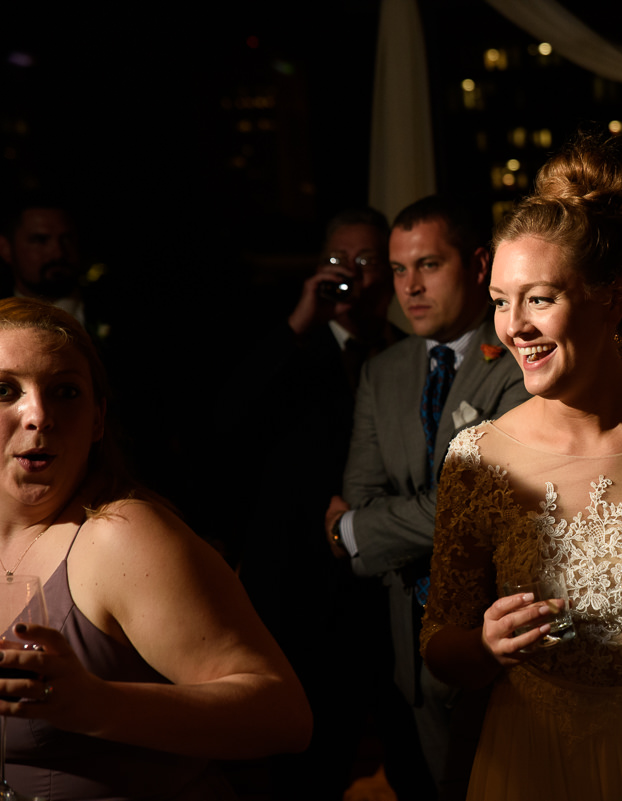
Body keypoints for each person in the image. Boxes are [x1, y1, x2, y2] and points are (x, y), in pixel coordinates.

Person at [420, 134, 622, 801]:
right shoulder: (478, 457)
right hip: (526, 762)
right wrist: (484, 646)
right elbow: (437, 640)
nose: (511, 326)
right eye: (500, 299)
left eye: (539, 298)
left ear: (613, 299)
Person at [0, 297, 311, 800]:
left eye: (65, 391)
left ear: (97, 420)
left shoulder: (119, 535)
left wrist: (96, 705)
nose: (39, 414)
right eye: (3, 390)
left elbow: (284, 718)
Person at [324, 196, 529, 800]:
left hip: (500, 646)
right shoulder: (382, 371)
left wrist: (355, 532)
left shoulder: (522, 364)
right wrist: (384, 515)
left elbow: (481, 508)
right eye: (398, 269)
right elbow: (361, 489)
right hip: (408, 654)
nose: (409, 287)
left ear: (478, 265)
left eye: (429, 265)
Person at [226, 207, 407, 800]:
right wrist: (300, 323)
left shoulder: (409, 355)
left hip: (387, 583)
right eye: (335, 260)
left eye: (365, 261)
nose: (349, 273)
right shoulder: (288, 350)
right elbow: (229, 426)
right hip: (296, 589)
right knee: (304, 767)